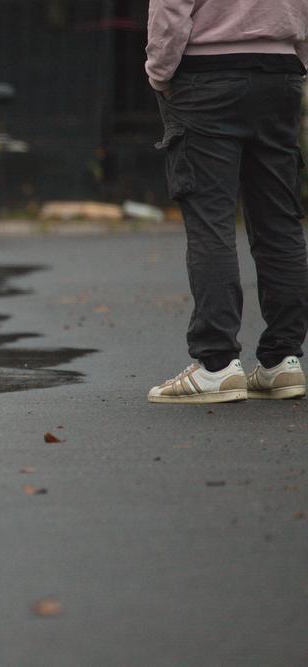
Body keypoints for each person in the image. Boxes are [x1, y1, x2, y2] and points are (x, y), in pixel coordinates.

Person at [145, 0, 308, 404]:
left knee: (210, 220)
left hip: (207, 76)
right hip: (280, 73)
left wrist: (160, 73)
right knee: (279, 222)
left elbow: (170, 8)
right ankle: (282, 360)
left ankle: (216, 365)